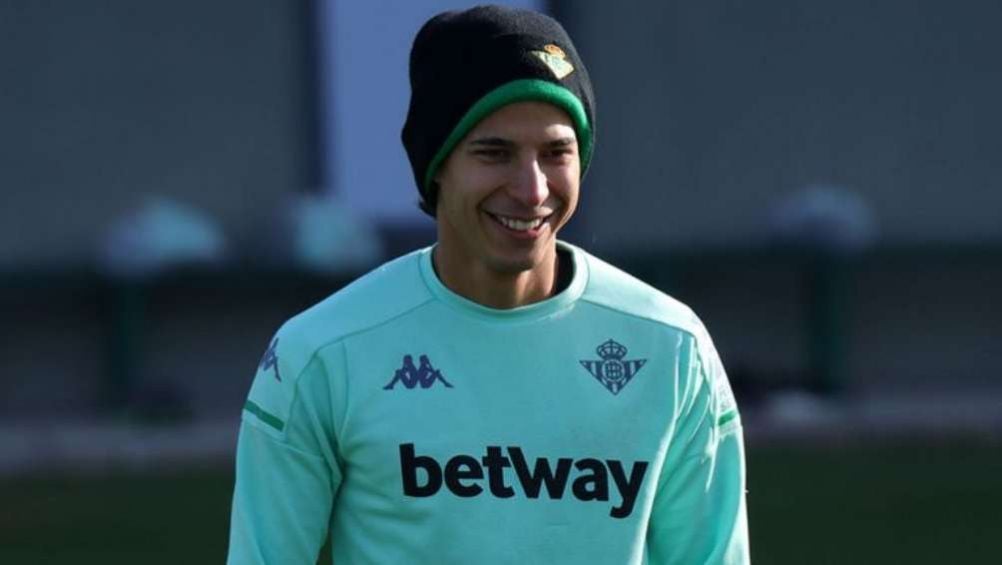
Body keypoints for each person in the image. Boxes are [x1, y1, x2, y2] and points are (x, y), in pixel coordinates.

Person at [227, 5, 749, 564]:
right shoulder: (322, 352)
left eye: (556, 152)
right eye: (495, 153)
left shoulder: (672, 345)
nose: (532, 190)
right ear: (437, 164)